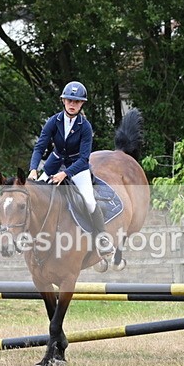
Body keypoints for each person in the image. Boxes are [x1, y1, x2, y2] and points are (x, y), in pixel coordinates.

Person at [26, 81, 113, 256]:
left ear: (82, 104)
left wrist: (65, 174)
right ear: (63, 101)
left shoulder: (85, 127)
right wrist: (34, 168)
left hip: (77, 167)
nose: (72, 104)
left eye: (77, 101)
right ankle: (28, 236)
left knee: (89, 200)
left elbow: (84, 159)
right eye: (69, 101)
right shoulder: (53, 121)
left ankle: (102, 238)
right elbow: (40, 147)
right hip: (54, 162)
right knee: (35, 194)